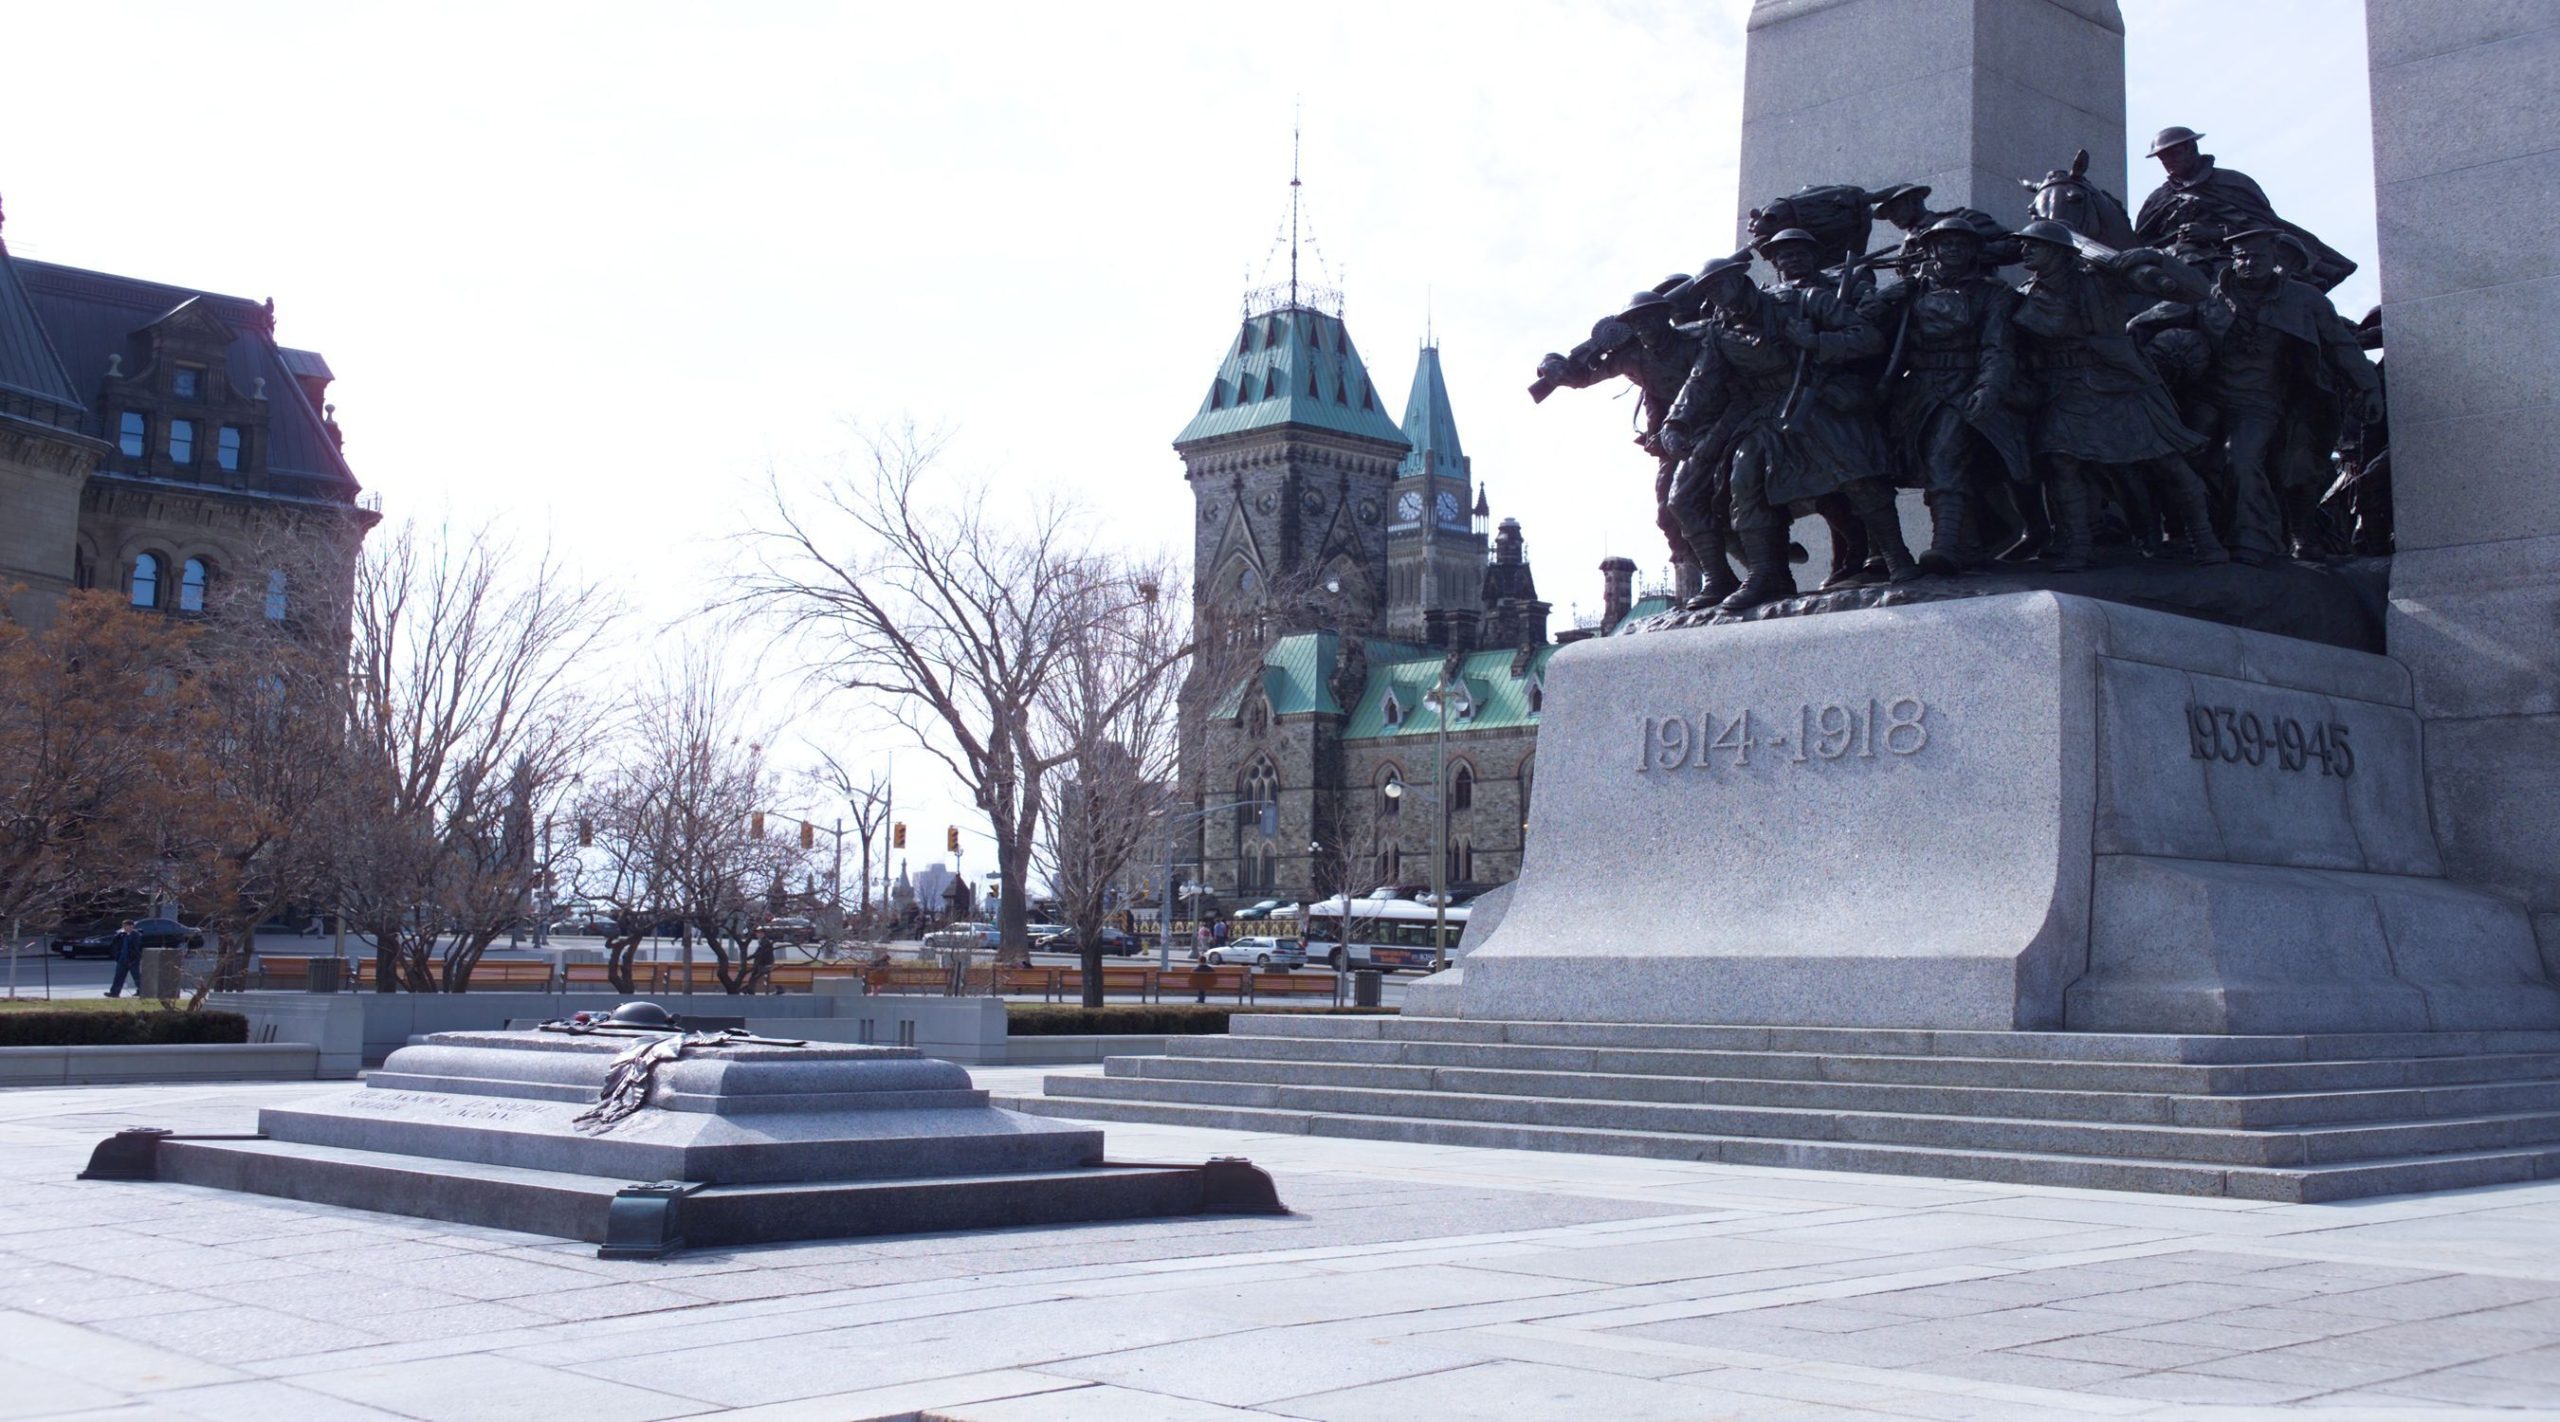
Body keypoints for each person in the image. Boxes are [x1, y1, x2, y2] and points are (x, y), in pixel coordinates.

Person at [1661, 237, 1911, 613]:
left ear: (1739, 279)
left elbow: (1868, 338)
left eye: (1721, 286)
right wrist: (1677, 420)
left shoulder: (1802, 301)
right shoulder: (1719, 331)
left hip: (1817, 398)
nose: (1719, 297)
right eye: (1710, 292)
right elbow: (1701, 380)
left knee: (1857, 475)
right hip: (1764, 413)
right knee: (1743, 485)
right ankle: (1767, 574)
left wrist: (1816, 341)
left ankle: (1897, 558)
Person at [2132, 227, 2383, 562]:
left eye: (2258, 256)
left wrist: (2369, 388)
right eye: (2242, 257)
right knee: (2180, 458)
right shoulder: (2207, 295)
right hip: (2207, 397)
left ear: (2274, 259)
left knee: (2243, 458)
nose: (2249, 263)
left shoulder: (2304, 300)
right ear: (2233, 260)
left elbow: (2342, 346)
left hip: (2261, 402)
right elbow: (2143, 324)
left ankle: (2252, 540)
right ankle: (2189, 534)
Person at [2010, 219, 2230, 570]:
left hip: (2119, 382)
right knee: (2061, 463)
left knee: (2168, 463)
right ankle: (2077, 547)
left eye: (2033, 245)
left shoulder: (2102, 279)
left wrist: (2156, 257)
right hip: (2063, 387)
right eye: (2024, 245)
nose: (2025, 251)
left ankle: (2204, 539)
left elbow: (2196, 292)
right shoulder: (2025, 294)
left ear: (2059, 252)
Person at [1866, 219, 2032, 573]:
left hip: (1965, 385)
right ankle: (1967, 544)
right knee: (1915, 465)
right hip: (1917, 390)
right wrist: (1893, 293)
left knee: (1945, 457)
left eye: (1961, 244)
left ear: (1974, 251)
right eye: (1945, 244)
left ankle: (1945, 546)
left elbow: (1997, 348)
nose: (1953, 250)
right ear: (1931, 250)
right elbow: (1864, 323)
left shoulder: (1993, 293)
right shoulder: (1914, 291)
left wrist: (1989, 387)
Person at [2134, 126, 2356, 292]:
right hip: (2175, 261)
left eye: (2173, 154)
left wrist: (2214, 233)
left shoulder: (2232, 182)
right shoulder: (2159, 198)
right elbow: (2139, 242)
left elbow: (2265, 229)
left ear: (2192, 148)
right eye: (2163, 158)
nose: (2168, 162)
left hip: (2233, 258)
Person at [104, 921, 141, 998]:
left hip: (133, 960)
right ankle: (114, 993)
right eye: (124, 926)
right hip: (122, 959)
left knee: (137, 977)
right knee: (118, 977)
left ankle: (142, 991)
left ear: (132, 926)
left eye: (127, 926)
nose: (125, 928)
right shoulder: (121, 935)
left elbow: (138, 947)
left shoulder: (136, 935)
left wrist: (137, 957)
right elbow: (114, 944)